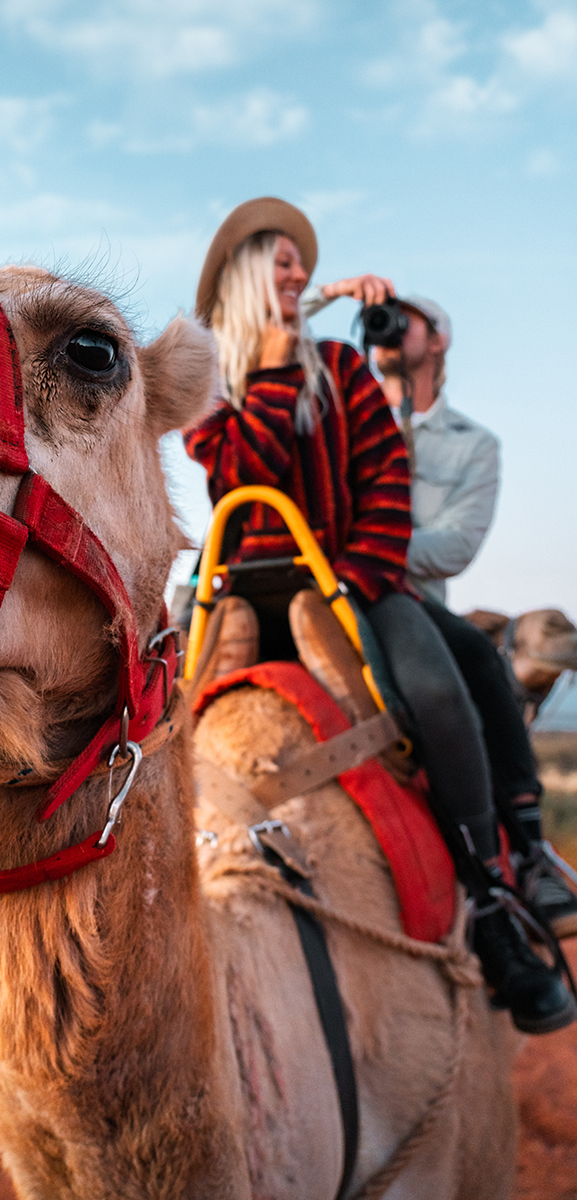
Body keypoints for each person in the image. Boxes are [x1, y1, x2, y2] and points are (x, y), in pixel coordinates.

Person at [184, 196, 574, 1034]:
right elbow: (236, 477)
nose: (298, 275)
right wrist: (278, 372)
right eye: (282, 262)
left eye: (300, 264)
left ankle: (496, 903)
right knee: (142, 699)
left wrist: (354, 581)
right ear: (248, 276)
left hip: (352, 583)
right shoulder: (208, 386)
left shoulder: (348, 372)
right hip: (242, 589)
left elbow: (389, 485)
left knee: (440, 685)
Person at [307, 288, 577, 937]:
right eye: (379, 317)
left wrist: (368, 544)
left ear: (441, 339)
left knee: (476, 662)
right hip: (318, 582)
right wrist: (329, 296)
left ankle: (521, 857)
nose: (389, 327)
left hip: (407, 596)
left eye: (408, 318)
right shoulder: (332, 408)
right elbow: (254, 340)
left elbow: (457, 545)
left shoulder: (474, 444)